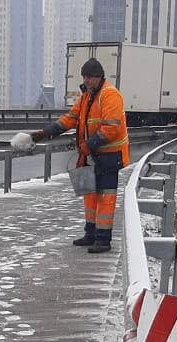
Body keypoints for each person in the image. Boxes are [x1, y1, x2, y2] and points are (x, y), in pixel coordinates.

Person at [31, 58, 129, 254]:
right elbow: (70, 118)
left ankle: (103, 239)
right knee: (90, 195)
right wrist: (46, 132)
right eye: (84, 76)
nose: (86, 80)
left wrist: (89, 145)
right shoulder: (86, 96)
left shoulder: (110, 95)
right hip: (89, 155)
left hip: (109, 156)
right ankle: (90, 233)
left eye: (89, 77)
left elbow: (111, 128)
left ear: (99, 77)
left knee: (105, 197)